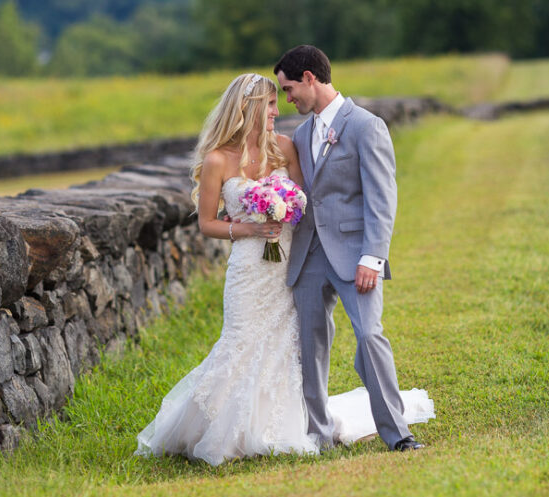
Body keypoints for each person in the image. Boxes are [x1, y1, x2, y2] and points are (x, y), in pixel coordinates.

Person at [135, 72, 432, 466]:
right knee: (243, 340)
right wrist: (250, 227)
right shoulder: (217, 160)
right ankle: (235, 427)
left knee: (292, 346)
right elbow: (207, 223)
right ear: (248, 108)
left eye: (282, 98)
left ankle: (302, 426)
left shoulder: (285, 147)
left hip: (291, 261)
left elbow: (311, 199)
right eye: (271, 104)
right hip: (248, 268)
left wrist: (294, 212)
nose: (279, 110)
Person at [274, 45, 425, 452]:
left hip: (356, 255)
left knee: (369, 336)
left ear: (309, 78)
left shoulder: (365, 126)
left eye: (289, 89)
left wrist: (372, 257)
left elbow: (382, 197)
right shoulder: (301, 135)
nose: (288, 99)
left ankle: (398, 434)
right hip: (308, 256)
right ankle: (318, 436)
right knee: (310, 346)